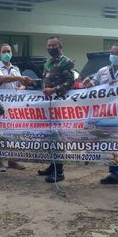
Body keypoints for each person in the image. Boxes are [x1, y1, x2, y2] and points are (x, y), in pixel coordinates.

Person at [83, 43, 118, 189]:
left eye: (116, 53)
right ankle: (114, 174)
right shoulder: (103, 71)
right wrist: (88, 83)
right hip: (106, 114)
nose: (112, 56)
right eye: (111, 52)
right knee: (111, 144)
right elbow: (94, 85)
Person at [0, 43, 35, 172]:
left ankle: (12, 160)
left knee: (13, 133)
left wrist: (22, 86)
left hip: (14, 106)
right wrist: (20, 78)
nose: (7, 54)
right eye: (4, 51)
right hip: (0, 105)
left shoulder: (15, 68)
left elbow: (22, 85)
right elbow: (2, 79)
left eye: (9, 51)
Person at [38, 36, 75, 183]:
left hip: (60, 104)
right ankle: (52, 166)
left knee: (58, 137)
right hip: (48, 105)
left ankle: (59, 171)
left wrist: (54, 89)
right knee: (50, 136)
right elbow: (44, 80)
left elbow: (70, 82)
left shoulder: (66, 62)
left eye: (54, 45)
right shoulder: (47, 63)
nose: (51, 48)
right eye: (49, 45)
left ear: (60, 47)